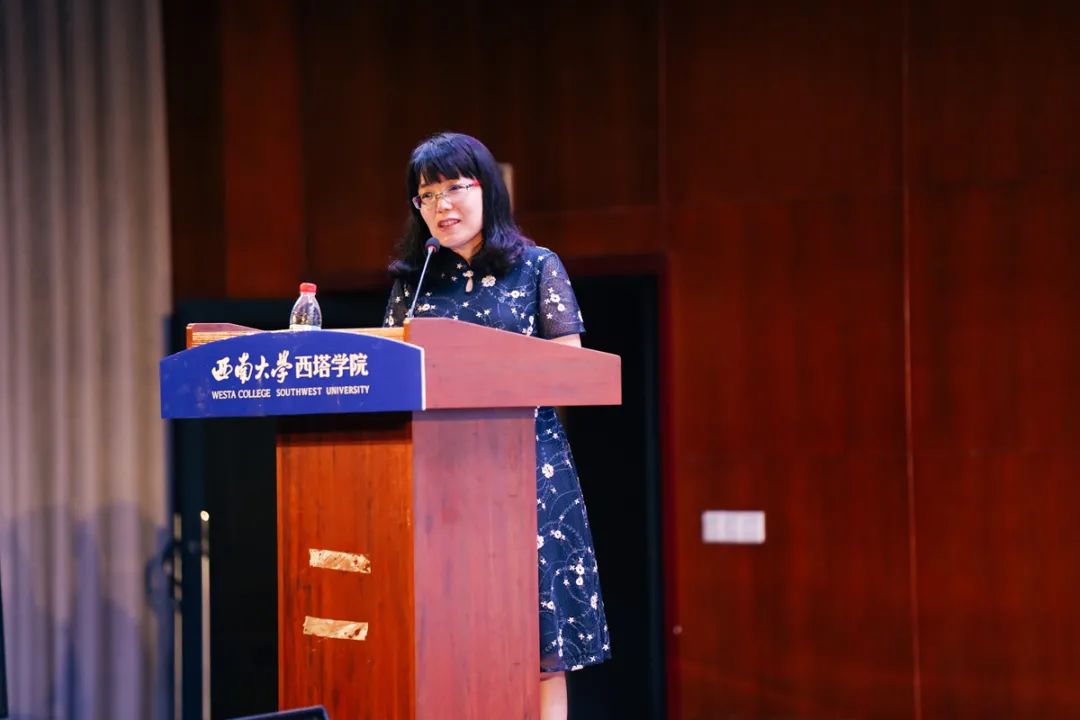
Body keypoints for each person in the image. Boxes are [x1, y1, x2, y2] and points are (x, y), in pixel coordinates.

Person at [383, 132, 611, 719]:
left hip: (527, 471)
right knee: (446, 632)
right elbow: (389, 375)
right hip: (438, 479)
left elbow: (569, 372)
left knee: (538, 643)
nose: (442, 205)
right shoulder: (415, 281)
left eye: (454, 188)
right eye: (427, 195)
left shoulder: (536, 267)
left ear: (487, 189)